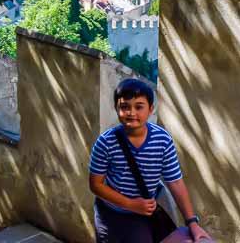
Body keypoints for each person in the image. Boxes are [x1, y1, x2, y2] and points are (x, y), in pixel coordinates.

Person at [89, 78, 211, 242]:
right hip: (110, 214)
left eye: (139, 107)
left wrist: (192, 223)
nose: (132, 113)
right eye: (125, 107)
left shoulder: (162, 140)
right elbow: (96, 184)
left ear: (150, 109)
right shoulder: (105, 142)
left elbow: (175, 182)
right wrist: (130, 204)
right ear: (116, 109)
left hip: (142, 215)